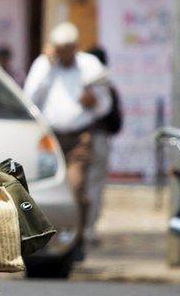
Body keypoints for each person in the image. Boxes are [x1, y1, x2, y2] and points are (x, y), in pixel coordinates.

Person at [23, 22, 111, 253]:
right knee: (43, 189)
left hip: (79, 137)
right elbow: (29, 97)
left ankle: (76, 239)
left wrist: (94, 103)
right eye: (59, 48)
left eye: (68, 48)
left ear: (76, 46)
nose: (64, 53)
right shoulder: (44, 65)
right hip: (50, 138)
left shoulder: (89, 66)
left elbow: (105, 105)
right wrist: (48, 67)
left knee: (75, 186)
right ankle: (43, 238)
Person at [84, 46, 123, 246]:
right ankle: (87, 230)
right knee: (93, 186)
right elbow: (115, 121)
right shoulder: (106, 85)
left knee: (84, 185)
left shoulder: (82, 81)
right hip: (97, 138)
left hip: (83, 138)